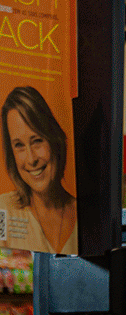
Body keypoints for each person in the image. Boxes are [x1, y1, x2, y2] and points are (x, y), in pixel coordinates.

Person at [0, 86, 77, 254]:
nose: (31, 158)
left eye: (37, 141)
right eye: (19, 145)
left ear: (54, 139)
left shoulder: (86, 215)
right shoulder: (3, 208)